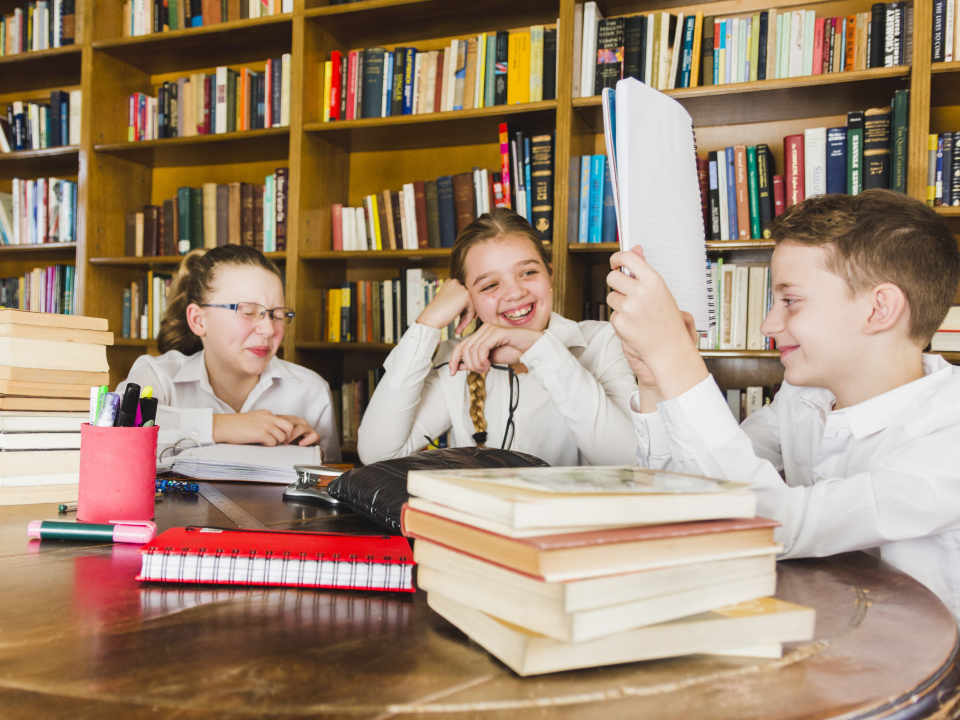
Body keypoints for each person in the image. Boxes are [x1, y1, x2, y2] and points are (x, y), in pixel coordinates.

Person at [607, 189, 960, 617]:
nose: (768, 324)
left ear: (879, 309)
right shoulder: (803, 398)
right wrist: (657, 384)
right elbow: (699, 494)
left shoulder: (949, 437)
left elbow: (776, 523)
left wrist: (675, 358)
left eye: (790, 301)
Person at [357, 208, 637, 466]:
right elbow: (377, 455)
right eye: (490, 285)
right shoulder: (456, 361)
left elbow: (627, 464)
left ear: (549, 276)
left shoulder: (602, 341)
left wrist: (540, 348)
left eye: (528, 272)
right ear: (469, 299)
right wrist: (428, 322)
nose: (514, 293)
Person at [118, 245, 340, 461]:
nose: (269, 329)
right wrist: (222, 426)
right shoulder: (158, 377)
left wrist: (308, 454)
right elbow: (115, 437)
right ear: (198, 320)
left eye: (277, 314)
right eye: (248, 311)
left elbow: (334, 486)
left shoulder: (311, 391)